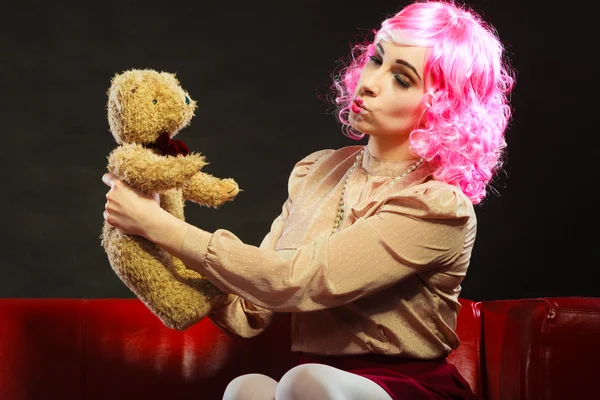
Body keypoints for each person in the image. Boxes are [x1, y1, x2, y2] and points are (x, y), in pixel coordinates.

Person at [102, 0, 515, 398]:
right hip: (307, 387)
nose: (369, 82)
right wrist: (150, 235)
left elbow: (295, 281)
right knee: (246, 390)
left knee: (305, 384)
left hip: (405, 388)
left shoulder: (439, 206)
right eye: (377, 59)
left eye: (402, 78)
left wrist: (162, 227)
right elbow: (251, 309)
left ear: (441, 108)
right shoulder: (316, 172)